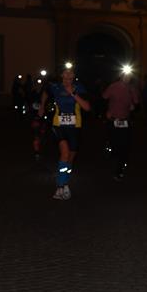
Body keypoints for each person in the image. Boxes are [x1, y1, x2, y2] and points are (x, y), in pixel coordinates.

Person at [39, 66, 90, 200]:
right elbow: (45, 92)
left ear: (73, 76)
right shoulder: (55, 87)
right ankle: (60, 186)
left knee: (70, 160)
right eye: (65, 74)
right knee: (65, 154)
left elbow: (87, 107)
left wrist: (73, 93)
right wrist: (42, 106)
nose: (68, 76)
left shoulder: (79, 88)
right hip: (59, 125)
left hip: (75, 127)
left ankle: (65, 182)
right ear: (61, 75)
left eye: (70, 74)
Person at [103, 71, 140, 181]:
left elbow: (136, 102)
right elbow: (104, 97)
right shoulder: (113, 86)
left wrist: (133, 106)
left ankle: (119, 169)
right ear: (121, 76)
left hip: (125, 120)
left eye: (129, 76)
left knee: (125, 145)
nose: (127, 78)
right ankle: (111, 148)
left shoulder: (131, 88)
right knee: (114, 141)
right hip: (113, 119)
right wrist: (107, 111)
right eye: (125, 76)